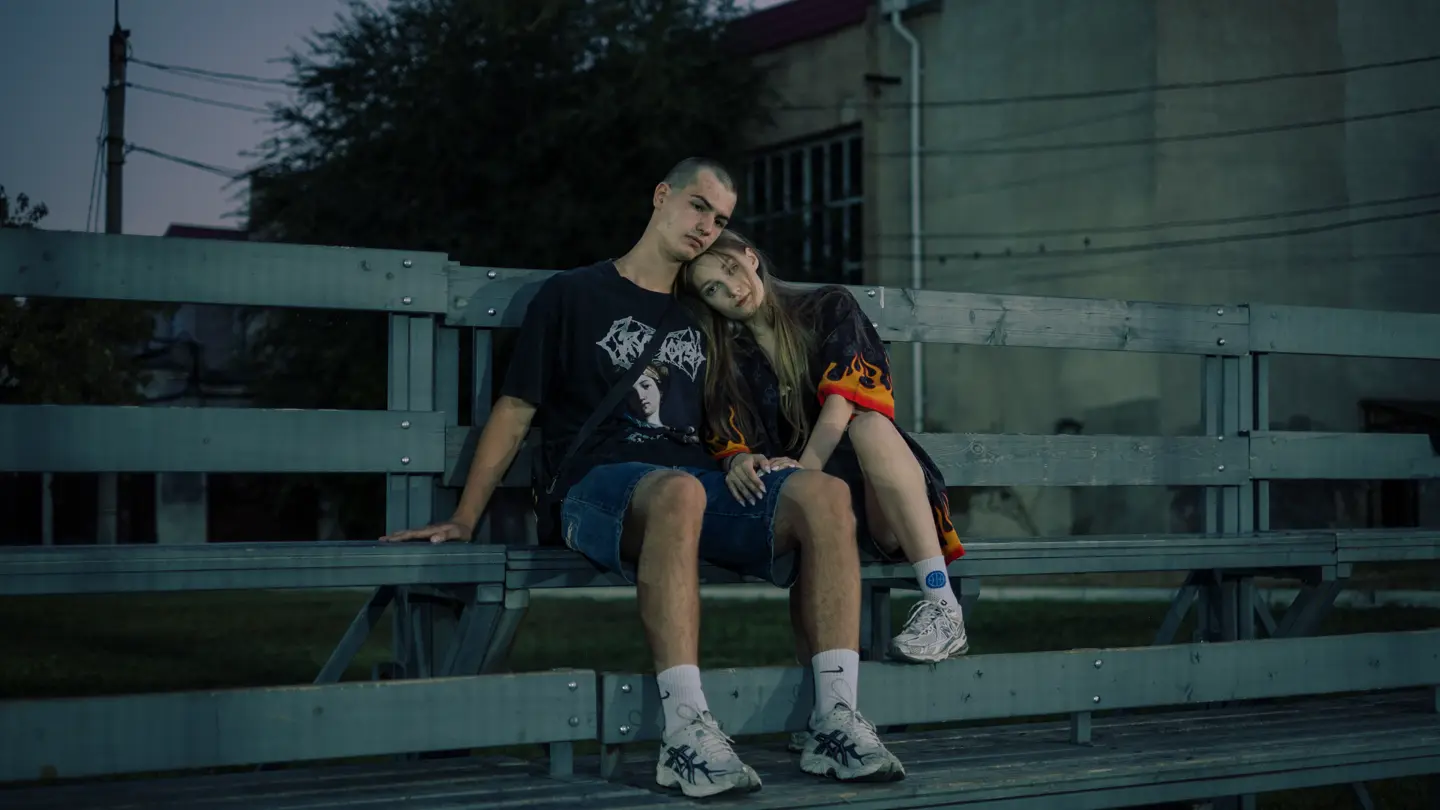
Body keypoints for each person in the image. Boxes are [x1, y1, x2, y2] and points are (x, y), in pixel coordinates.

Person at [381, 158, 905, 797]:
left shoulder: (706, 312)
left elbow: (729, 414)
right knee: (678, 492)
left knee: (823, 495)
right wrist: (465, 517)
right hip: (594, 486)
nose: (707, 227)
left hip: (693, 484)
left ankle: (834, 723)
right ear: (662, 196)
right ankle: (686, 733)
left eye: (721, 220)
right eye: (697, 206)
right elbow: (516, 409)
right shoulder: (573, 294)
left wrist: (741, 455)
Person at [678, 229, 970, 667]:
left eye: (730, 269)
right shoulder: (729, 354)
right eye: (714, 288)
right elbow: (725, 426)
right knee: (813, 513)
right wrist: (738, 458)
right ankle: (825, 714)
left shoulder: (828, 306)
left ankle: (942, 605)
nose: (732, 289)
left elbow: (843, 402)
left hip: (883, 501)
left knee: (869, 426)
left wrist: (806, 467)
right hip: (813, 513)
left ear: (750, 257)